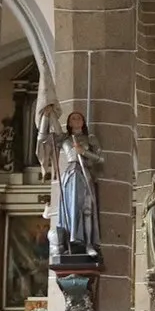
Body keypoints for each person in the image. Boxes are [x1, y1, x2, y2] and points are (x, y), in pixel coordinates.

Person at [45, 109, 103, 256]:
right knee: (70, 209)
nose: (76, 120)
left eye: (79, 118)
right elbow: (51, 133)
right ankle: (69, 241)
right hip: (71, 174)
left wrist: (83, 152)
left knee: (87, 209)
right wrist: (49, 114)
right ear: (69, 123)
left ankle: (89, 244)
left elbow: (100, 159)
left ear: (83, 122)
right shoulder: (65, 139)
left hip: (85, 174)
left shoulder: (90, 139)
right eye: (73, 118)